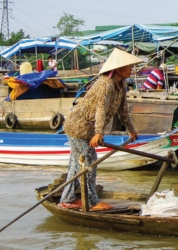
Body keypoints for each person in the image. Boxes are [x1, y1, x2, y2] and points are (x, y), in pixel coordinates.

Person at [59, 48, 140, 211]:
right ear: (119, 68)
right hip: (78, 126)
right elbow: (100, 109)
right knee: (89, 161)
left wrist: (131, 130)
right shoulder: (106, 84)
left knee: (76, 163)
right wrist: (99, 132)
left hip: (86, 128)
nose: (132, 69)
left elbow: (123, 110)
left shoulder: (121, 84)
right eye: (129, 66)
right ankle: (93, 202)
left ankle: (67, 199)